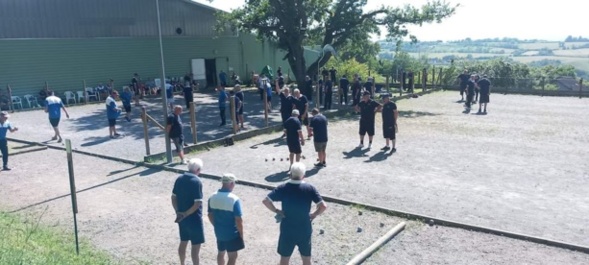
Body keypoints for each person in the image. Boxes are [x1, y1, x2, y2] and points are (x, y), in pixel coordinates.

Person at [262, 162, 327, 265]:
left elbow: (266, 201)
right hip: (304, 228)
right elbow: (323, 206)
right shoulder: (310, 188)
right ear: (304, 175)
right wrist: (314, 214)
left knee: (284, 258)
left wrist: (277, 210)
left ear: (290, 174)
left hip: (287, 228)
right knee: (306, 258)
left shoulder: (283, 187)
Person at [172, 158, 205, 265]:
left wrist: (178, 212)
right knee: (195, 247)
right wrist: (186, 213)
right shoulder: (196, 181)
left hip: (181, 217)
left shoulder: (179, 179)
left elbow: (173, 197)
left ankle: (182, 263)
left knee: (183, 241)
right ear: (198, 170)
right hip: (194, 218)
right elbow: (198, 203)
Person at [207, 174, 245, 265]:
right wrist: (241, 234)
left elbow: (209, 215)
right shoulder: (234, 199)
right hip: (232, 233)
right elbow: (238, 220)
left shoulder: (212, 197)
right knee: (232, 256)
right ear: (231, 183)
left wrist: (216, 225)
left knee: (221, 253)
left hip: (219, 232)